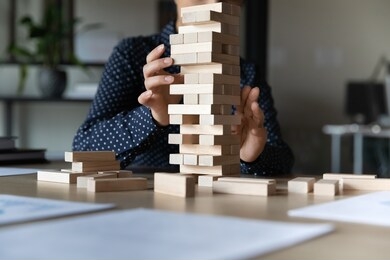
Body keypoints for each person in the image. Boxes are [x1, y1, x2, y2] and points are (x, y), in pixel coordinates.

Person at [72, 0, 294, 176]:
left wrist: (252, 155)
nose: (213, 4)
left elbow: (283, 158)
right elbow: (83, 148)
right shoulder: (132, 55)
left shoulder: (246, 73)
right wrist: (154, 117)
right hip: (146, 195)